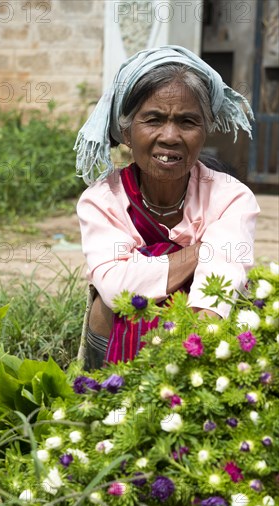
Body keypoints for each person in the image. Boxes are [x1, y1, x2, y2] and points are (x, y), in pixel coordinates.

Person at [75, 45, 260, 370]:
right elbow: (118, 288)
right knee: (106, 305)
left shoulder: (231, 197)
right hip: (115, 357)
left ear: (205, 132)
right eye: (154, 119)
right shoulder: (102, 201)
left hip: (200, 353)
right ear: (128, 132)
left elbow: (216, 294)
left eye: (188, 121)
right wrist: (203, 250)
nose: (171, 136)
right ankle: (104, 396)